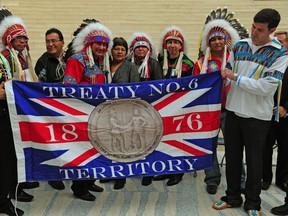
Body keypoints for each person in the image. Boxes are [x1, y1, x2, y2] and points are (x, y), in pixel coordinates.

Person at [212, 8, 288, 216]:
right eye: (253, 27)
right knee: (233, 159)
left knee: (255, 163)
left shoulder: (280, 54)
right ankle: (232, 196)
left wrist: (235, 77)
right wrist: (223, 76)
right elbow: (226, 70)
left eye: (260, 30)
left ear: (272, 30)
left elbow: (267, 87)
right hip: (234, 112)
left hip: (258, 117)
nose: (254, 32)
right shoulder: (240, 45)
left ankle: (253, 203)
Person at [194, 7, 249, 195]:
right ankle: (212, 179)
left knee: (234, 146)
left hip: (231, 109)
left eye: (220, 38)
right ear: (208, 42)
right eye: (213, 39)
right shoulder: (200, 64)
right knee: (209, 145)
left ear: (227, 40)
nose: (217, 42)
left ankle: (240, 180)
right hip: (208, 111)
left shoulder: (237, 61)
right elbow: (195, 87)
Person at [63, 20, 112, 201]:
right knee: (82, 150)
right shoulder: (77, 60)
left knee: (95, 149)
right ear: (89, 44)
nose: (101, 47)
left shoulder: (102, 62)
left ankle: (90, 180)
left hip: (97, 115)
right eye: (97, 43)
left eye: (104, 44)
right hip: (81, 114)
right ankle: (79, 187)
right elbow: (68, 88)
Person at [0, 10, 39, 203]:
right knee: (9, 155)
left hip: (21, 110)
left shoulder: (24, 57)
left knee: (20, 150)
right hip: (7, 112)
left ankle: (19, 184)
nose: (23, 40)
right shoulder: (4, 58)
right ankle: (9, 193)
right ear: (10, 40)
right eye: (18, 38)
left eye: (25, 37)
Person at [153, 25, 194, 186]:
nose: (172, 45)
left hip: (180, 109)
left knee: (178, 140)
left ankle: (177, 172)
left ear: (181, 46)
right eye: (169, 42)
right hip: (162, 109)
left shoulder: (187, 64)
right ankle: (164, 169)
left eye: (176, 42)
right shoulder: (158, 62)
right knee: (162, 139)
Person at [100, 36, 140, 190]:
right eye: (117, 48)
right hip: (107, 111)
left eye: (123, 49)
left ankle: (120, 176)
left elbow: (136, 88)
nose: (120, 51)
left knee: (122, 143)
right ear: (112, 50)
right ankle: (109, 172)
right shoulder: (105, 64)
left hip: (124, 111)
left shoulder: (130, 67)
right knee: (109, 142)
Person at [127, 32, 163, 186]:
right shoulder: (128, 63)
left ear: (148, 50)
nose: (141, 49)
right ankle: (131, 168)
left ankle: (148, 172)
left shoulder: (153, 64)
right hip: (130, 109)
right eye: (138, 47)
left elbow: (159, 85)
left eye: (144, 47)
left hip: (148, 108)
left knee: (148, 140)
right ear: (133, 50)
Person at [34, 28, 66, 190]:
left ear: (62, 42)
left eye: (54, 41)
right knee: (54, 143)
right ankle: (54, 176)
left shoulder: (72, 58)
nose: (50, 44)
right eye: (47, 41)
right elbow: (41, 87)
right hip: (51, 110)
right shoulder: (42, 61)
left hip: (71, 109)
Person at [261, 31, 288, 192]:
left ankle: (282, 179)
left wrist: (285, 107)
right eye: (275, 41)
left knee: (285, 148)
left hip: (285, 115)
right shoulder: (268, 61)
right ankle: (265, 178)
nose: (278, 44)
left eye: (281, 42)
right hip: (266, 112)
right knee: (265, 148)